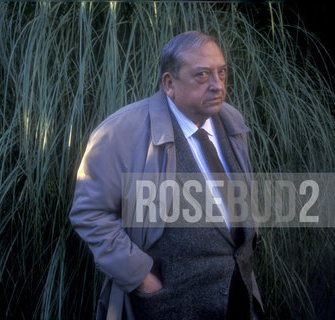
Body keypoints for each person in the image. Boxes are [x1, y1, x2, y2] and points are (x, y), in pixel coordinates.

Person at [69, 31, 264, 320]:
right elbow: (89, 214)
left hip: (236, 295)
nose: (217, 85)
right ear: (169, 84)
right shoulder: (121, 132)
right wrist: (141, 277)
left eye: (221, 72)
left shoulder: (231, 119)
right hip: (166, 304)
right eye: (202, 75)